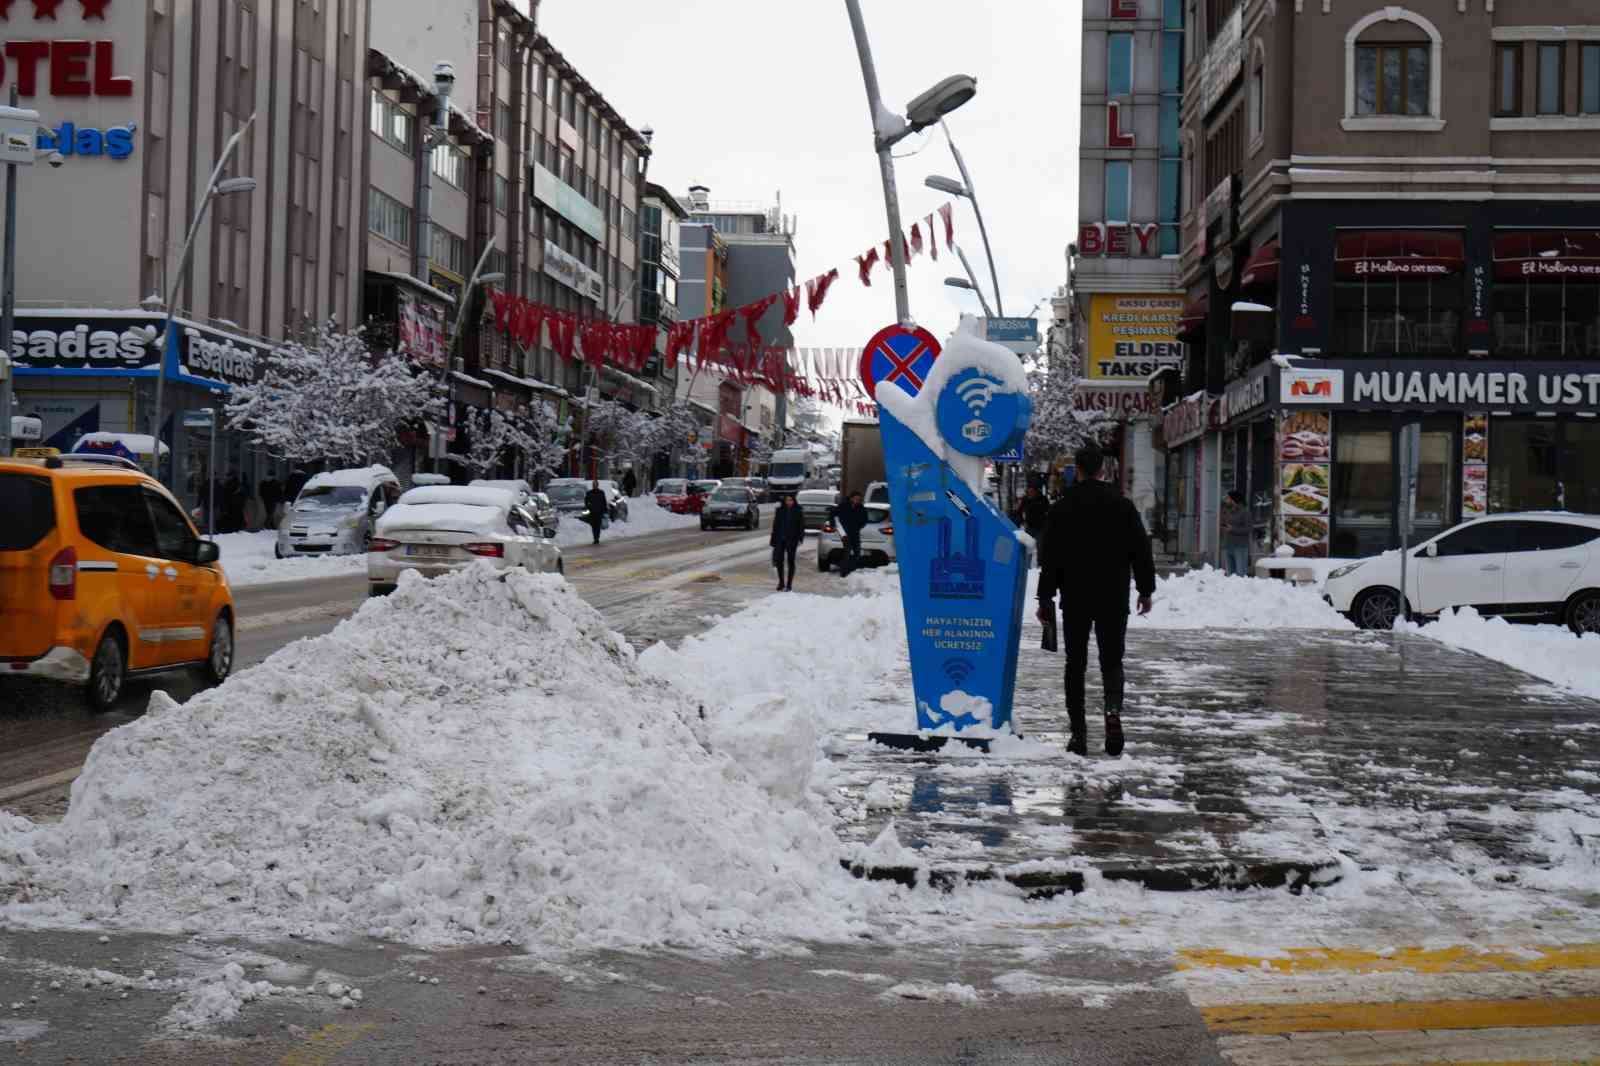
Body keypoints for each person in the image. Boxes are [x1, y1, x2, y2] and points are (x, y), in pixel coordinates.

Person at [1036, 443, 1156, 758]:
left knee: (1075, 664)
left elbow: (1051, 556)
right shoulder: (1122, 505)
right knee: (1112, 661)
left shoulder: (1062, 507)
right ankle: (1112, 714)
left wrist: (1045, 596)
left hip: (1075, 597)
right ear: (1103, 469)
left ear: (1079, 469)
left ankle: (1078, 734)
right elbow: (1140, 550)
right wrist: (1145, 589)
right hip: (1112, 596)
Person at [769, 493, 806, 591]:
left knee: (791, 561)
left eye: (791, 500)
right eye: (787, 500)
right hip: (780, 539)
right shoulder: (780, 511)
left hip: (792, 540)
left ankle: (789, 584)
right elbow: (775, 526)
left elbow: (801, 526)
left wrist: (800, 538)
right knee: (779, 561)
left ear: (794, 501)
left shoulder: (798, 511)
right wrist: (773, 539)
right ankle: (781, 582)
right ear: (784, 501)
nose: (789, 502)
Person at [833, 490, 869, 575]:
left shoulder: (861, 507)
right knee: (847, 551)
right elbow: (833, 514)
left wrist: (860, 525)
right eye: (856, 498)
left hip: (855, 532)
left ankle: (851, 569)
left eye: (859, 499)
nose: (857, 500)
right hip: (845, 533)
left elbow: (865, 519)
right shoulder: (843, 506)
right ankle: (844, 571)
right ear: (851, 498)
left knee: (857, 552)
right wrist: (835, 525)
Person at [1013, 484, 1050, 563]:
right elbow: (1019, 512)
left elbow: (1048, 511)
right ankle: (1026, 563)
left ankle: (1040, 564)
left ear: (1036, 492)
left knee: (1040, 547)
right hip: (1029, 527)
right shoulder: (1025, 499)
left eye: (1032, 492)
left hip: (1040, 527)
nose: (1030, 493)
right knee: (1026, 547)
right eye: (1029, 492)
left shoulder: (1043, 499)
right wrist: (1021, 522)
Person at [1221, 490, 1251, 577]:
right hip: (1228, 545)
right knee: (1230, 574)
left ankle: (1241, 589)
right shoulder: (1229, 511)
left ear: (1234, 500)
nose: (1226, 500)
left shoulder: (1245, 512)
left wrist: (1232, 529)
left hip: (1240, 547)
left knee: (1240, 573)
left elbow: (1248, 529)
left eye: (1228, 498)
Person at [583, 480, 608, 545]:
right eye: (593, 485)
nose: (594, 486)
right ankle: (595, 538)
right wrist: (588, 507)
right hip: (592, 512)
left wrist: (605, 510)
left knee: (598, 526)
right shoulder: (589, 493)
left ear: (597, 485)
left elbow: (604, 502)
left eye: (595, 485)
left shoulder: (601, 492)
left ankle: (597, 538)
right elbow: (586, 501)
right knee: (593, 526)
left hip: (599, 512)